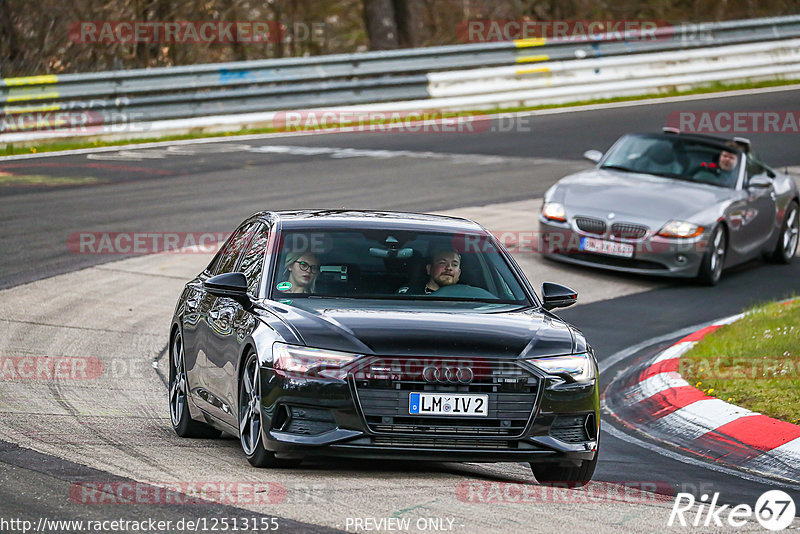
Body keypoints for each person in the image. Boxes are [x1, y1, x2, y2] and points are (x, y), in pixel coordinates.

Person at [397, 249, 461, 295]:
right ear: (429, 269)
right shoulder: (409, 294)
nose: (449, 268)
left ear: (459, 273)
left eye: (454, 265)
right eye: (442, 263)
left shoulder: (467, 298)